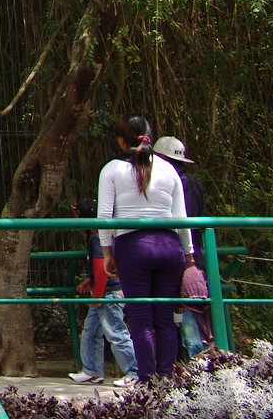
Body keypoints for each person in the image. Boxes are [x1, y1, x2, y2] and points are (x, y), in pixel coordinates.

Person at [97, 114, 194, 385]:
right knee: (165, 316)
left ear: (120, 139)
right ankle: (166, 378)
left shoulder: (112, 169)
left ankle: (147, 380)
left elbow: (104, 216)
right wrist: (189, 254)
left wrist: (107, 252)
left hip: (134, 246)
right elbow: (181, 217)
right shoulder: (168, 169)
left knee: (140, 318)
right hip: (169, 246)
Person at [69, 199, 138, 385]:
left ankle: (135, 372)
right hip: (104, 290)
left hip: (109, 292)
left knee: (115, 332)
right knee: (91, 331)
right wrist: (89, 282)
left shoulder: (98, 237)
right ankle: (91, 370)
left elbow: (102, 269)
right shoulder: (103, 235)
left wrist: (98, 295)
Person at [153, 135, 211, 358]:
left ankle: (197, 363)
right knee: (179, 312)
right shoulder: (183, 183)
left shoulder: (183, 185)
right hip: (181, 255)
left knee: (190, 312)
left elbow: (181, 222)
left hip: (187, 258)